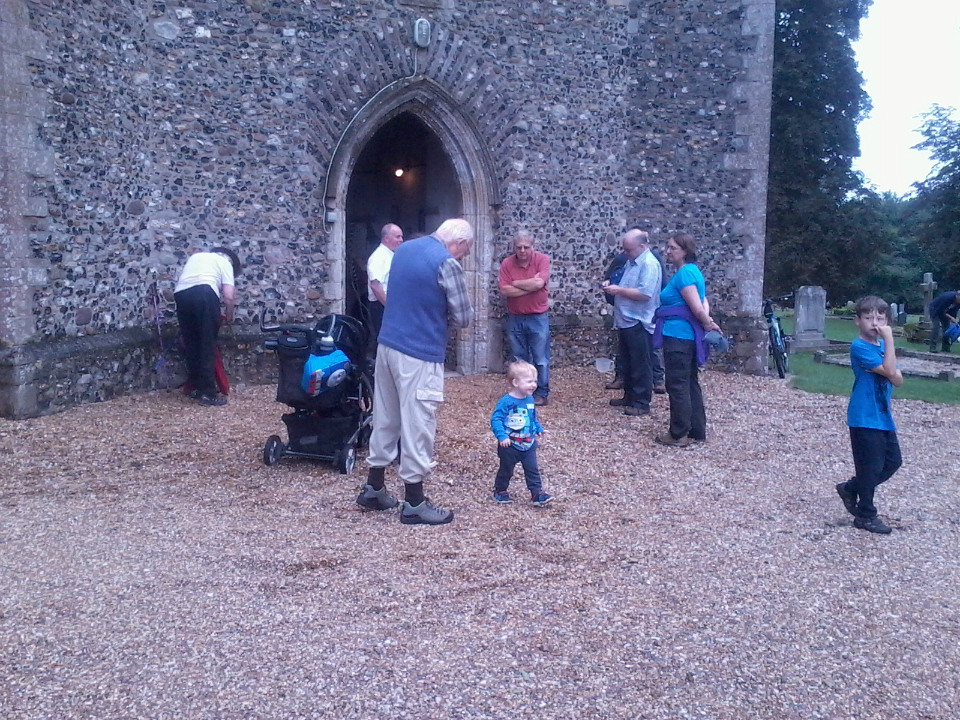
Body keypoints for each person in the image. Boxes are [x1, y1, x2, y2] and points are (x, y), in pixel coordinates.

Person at [356, 218, 474, 525]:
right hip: (419, 352)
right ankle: (414, 502)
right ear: (459, 243)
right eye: (466, 251)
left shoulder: (405, 250)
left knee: (386, 417)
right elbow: (463, 316)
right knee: (418, 422)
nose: (463, 256)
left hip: (388, 344)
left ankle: (374, 487)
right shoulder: (446, 262)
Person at [835, 296, 903, 534]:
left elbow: (898, 379)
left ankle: (850, 488)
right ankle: (865, 515)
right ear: (858, 321)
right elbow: (888, 370)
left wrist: (888, 348)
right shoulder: (860, 346)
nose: (875, 322)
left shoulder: (883, 347)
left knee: (893, 461)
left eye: (880, 318)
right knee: (870, 467)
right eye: (868, 317)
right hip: (864, 415)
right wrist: (890, 339)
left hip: (883, 416)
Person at [652, 233, 719, 446]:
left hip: (679, 337)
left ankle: (678, 433)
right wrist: (705, 318)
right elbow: (703, 301)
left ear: (685, 251)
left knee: (678, 384)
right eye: (668, 247)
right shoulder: (691, 272)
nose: (668, 251)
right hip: (685, 335)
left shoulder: (684, 274)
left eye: (672, 248)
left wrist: (707, 322)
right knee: (690, 382)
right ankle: (696, 430)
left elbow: (697, 306)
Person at [602, 229, 661, 416]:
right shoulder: (633, 261)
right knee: (628, 361)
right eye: (624, 249)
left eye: (629, 249)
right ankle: (629, 396)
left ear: (643, 246)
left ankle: (642, 402)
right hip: (626, 319)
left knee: (641, 363)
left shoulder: (649, 264)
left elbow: (645, 293)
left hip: (640, 321)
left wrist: (618, 290)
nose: (626, 253)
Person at [174, 247, 242, 407]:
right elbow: (229, 296)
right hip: (205, 293)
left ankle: (195, 388)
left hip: (181, 294)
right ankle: (208, 394)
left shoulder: (196, 257)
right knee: (206, 343)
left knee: (191, 343)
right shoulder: (225, 262)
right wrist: (229, 315)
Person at [490, 361, 554, 506]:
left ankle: (537, 493)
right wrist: (502, 436)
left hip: (528, 443)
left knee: (532, 469)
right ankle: (500, 490)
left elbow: (532, 417)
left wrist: (539, 429)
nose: (534, 385)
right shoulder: (506, 401)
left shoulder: (529, 399)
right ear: (515, 382)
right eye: (529, 381)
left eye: (535, 381)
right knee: (506, 469)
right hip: (510, 444)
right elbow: (496, 419)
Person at [499, 231, 551, 406]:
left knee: (540, 359)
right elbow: (505, 291)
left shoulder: (542, 260)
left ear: (533, 247)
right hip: (515, 316)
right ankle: (521, 392)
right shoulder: (507, 263)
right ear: (514, 247)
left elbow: (539, 283)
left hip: (538, 316)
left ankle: (541, 393)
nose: (522, 251)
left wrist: (516, 283)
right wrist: (531, 285)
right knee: (519, 358)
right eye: (518, 247)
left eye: (526, 247)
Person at [366, 223, 404, 355]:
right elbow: (375, 285)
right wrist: (390, 308)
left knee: (391, 343)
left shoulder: (390, 255)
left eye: (401, 237)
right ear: (386, 238)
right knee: (384, 343)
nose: (401, 240)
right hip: (381, 306)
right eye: (397, 236)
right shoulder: (379, 257)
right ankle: (378, 373)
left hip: (387, 305)